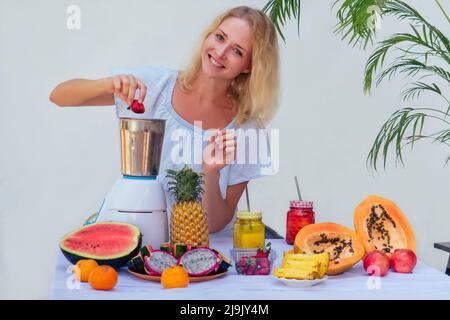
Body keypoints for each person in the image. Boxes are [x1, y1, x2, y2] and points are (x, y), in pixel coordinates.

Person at [49, 5, 280, 237]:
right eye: (219, 37)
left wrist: (212, 173)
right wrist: (108, 84)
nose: (220, 52)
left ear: (249, 66)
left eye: (237, 51)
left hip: (205, 252)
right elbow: (59, 96)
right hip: (138, 241)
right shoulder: (154, 87)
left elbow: (216, 223)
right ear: (209, 35)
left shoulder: (247, 129)